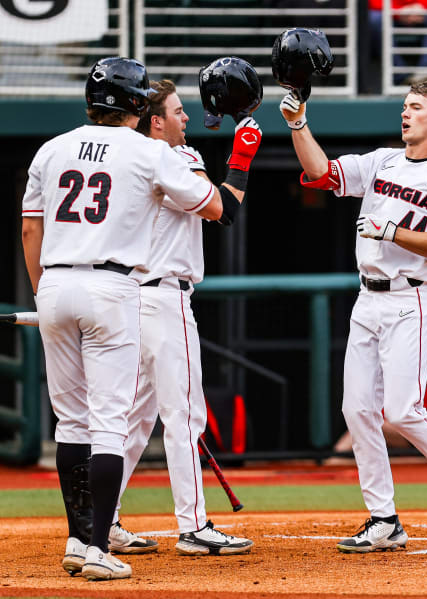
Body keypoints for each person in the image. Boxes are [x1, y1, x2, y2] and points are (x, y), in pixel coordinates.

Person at [20, 56, 260, 581]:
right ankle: (110, 542)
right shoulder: (152, 152)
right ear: (137, 105)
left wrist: (45, 294)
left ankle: (83, 534)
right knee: (116, 424)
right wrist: (241, 160)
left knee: (76, 425)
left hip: (57, 283)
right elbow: (222, 208)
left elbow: (29, 232)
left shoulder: (50, 148)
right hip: (120, 289)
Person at [279, 78, 427, 552]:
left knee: (402, 409)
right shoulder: (382, 160)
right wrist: (298, 124)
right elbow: (321, 173)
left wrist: (392, 231)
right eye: (404, 106)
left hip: (411, 297)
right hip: (367, 297)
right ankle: (383, 518)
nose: (405, 114)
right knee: (356, 410)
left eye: (415, 107)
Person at [109, 79, 255, 557]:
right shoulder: (170, 158)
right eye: (176, 111)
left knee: (135, 420)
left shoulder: (131, 158)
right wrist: (241, 158)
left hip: (134, 298)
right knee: (185, 414)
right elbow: (224, 208)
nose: (186, 119)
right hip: (163, 300)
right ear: (156, 121)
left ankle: (101, 520)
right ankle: (193, 526)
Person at [368, 0, 427, 84]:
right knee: (374, 19)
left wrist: (422, 6)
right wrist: (398, 11)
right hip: (387, 12)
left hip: (420, 11)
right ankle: (400, 77)